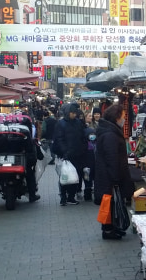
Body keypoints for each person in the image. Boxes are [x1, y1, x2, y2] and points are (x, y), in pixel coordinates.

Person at [93, 103, 134, 240]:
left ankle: (114, 227)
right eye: (123, 116)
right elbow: (111, 157)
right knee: (110, 203)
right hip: (110, 177)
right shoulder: (110, 134)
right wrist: (115, 178)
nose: (124, 119)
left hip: (108, 175)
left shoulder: (109, 131)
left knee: (112, 202)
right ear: (116, 117)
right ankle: (108, 230)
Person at [53, 103, 87, 206]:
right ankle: (63, 197)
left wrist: (83, 148)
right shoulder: (61, 123)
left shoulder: (78, 123)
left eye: (75, 113)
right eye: (72, 113)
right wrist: (65, 152)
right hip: (66, 156)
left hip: (77, 154)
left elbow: (82, 136)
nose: (74, 115)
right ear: (68, 113)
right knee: (64, 176)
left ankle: (71, 197)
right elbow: (59, 139)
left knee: (75, 177)